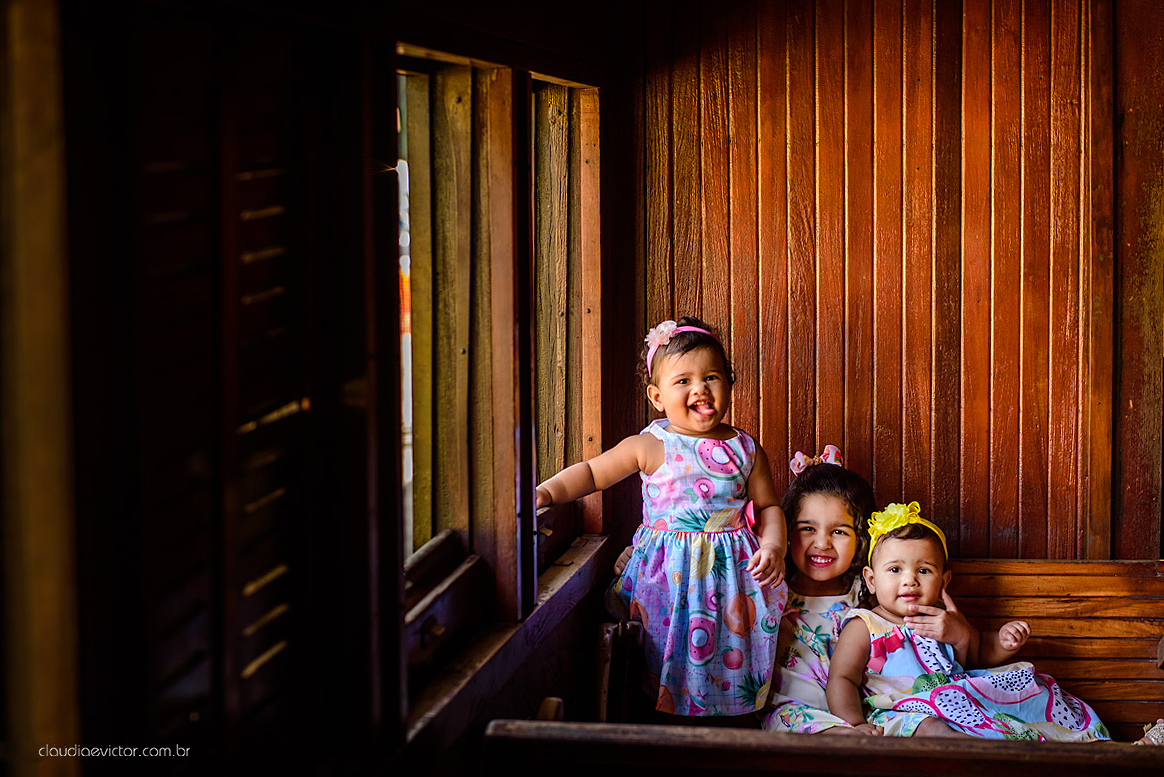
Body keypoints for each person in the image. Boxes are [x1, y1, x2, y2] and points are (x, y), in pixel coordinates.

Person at [537, 317, 787, 717]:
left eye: (712, 377)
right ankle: (659, 723)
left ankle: (732, 723)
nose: (700, 388)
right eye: (683, 381)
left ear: (729, 384)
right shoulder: (650, 445)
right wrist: (548, 492)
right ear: (656, 396)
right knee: (660, 653)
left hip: (732, 577)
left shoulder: (745, 448)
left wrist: (774, 544)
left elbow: (770, 506)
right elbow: (591, 473)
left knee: (728, 651)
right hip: (667, 578)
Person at [826, 502, 1112, 741]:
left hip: (958, 701)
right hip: (903, 714)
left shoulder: (946, 617)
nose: (910, 579)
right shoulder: (866, 625)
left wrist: (1000, 641)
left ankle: (1077, 745)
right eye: (895, 569)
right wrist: (854, 725)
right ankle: (975, 758)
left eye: (924, 570)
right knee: (933, 729)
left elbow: (977, 654)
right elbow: (841, 678)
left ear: (944, 580)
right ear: (872, 580)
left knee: (1036, 688)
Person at [759, 448, 890, 735]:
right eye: (807, 528)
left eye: (839, 532)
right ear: (785, 531)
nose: (822, 543)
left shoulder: (867, 592)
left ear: (861, 538)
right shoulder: (771, 590)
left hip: (864, 712)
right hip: (792, 715)